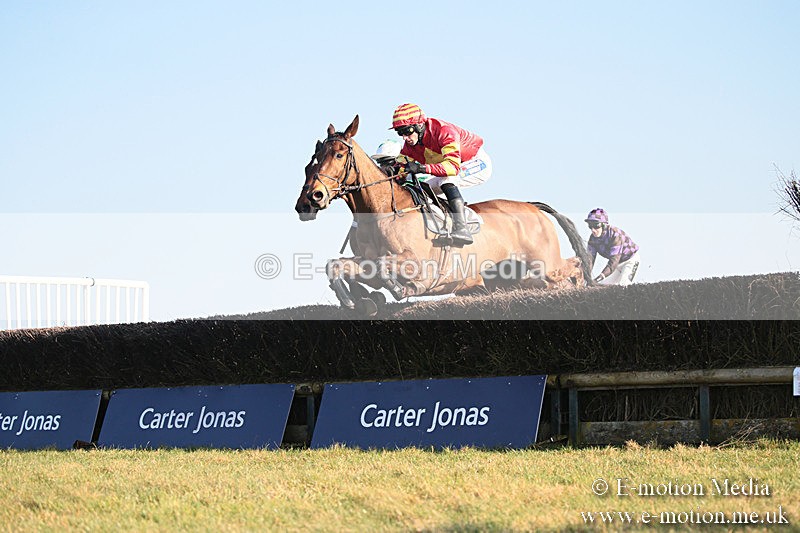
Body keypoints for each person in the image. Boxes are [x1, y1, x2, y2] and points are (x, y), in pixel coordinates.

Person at [389, 103, 492, 246]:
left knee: (446, 179)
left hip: (475, 162)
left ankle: (462, 228)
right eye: (400, 133)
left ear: (419, 126)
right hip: (451, 166)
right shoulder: (410, 146)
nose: (405, 138)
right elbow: (398, 169)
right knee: (423, 188)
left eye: (407, 131)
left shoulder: (444, 131)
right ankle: (445, 224)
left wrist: (421, 168)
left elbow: (452, 167)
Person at [585, 208, 641, 286]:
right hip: (617, 265)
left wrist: (599, 277)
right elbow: (589, 260)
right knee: (601, 286)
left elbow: (613, 262)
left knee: (623, 286)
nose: (593, 230)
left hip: (630, 261)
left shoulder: (615, 235)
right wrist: (586, 278)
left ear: (604, 225)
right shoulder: (592, 239)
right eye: (590, 226)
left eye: (596, 225)